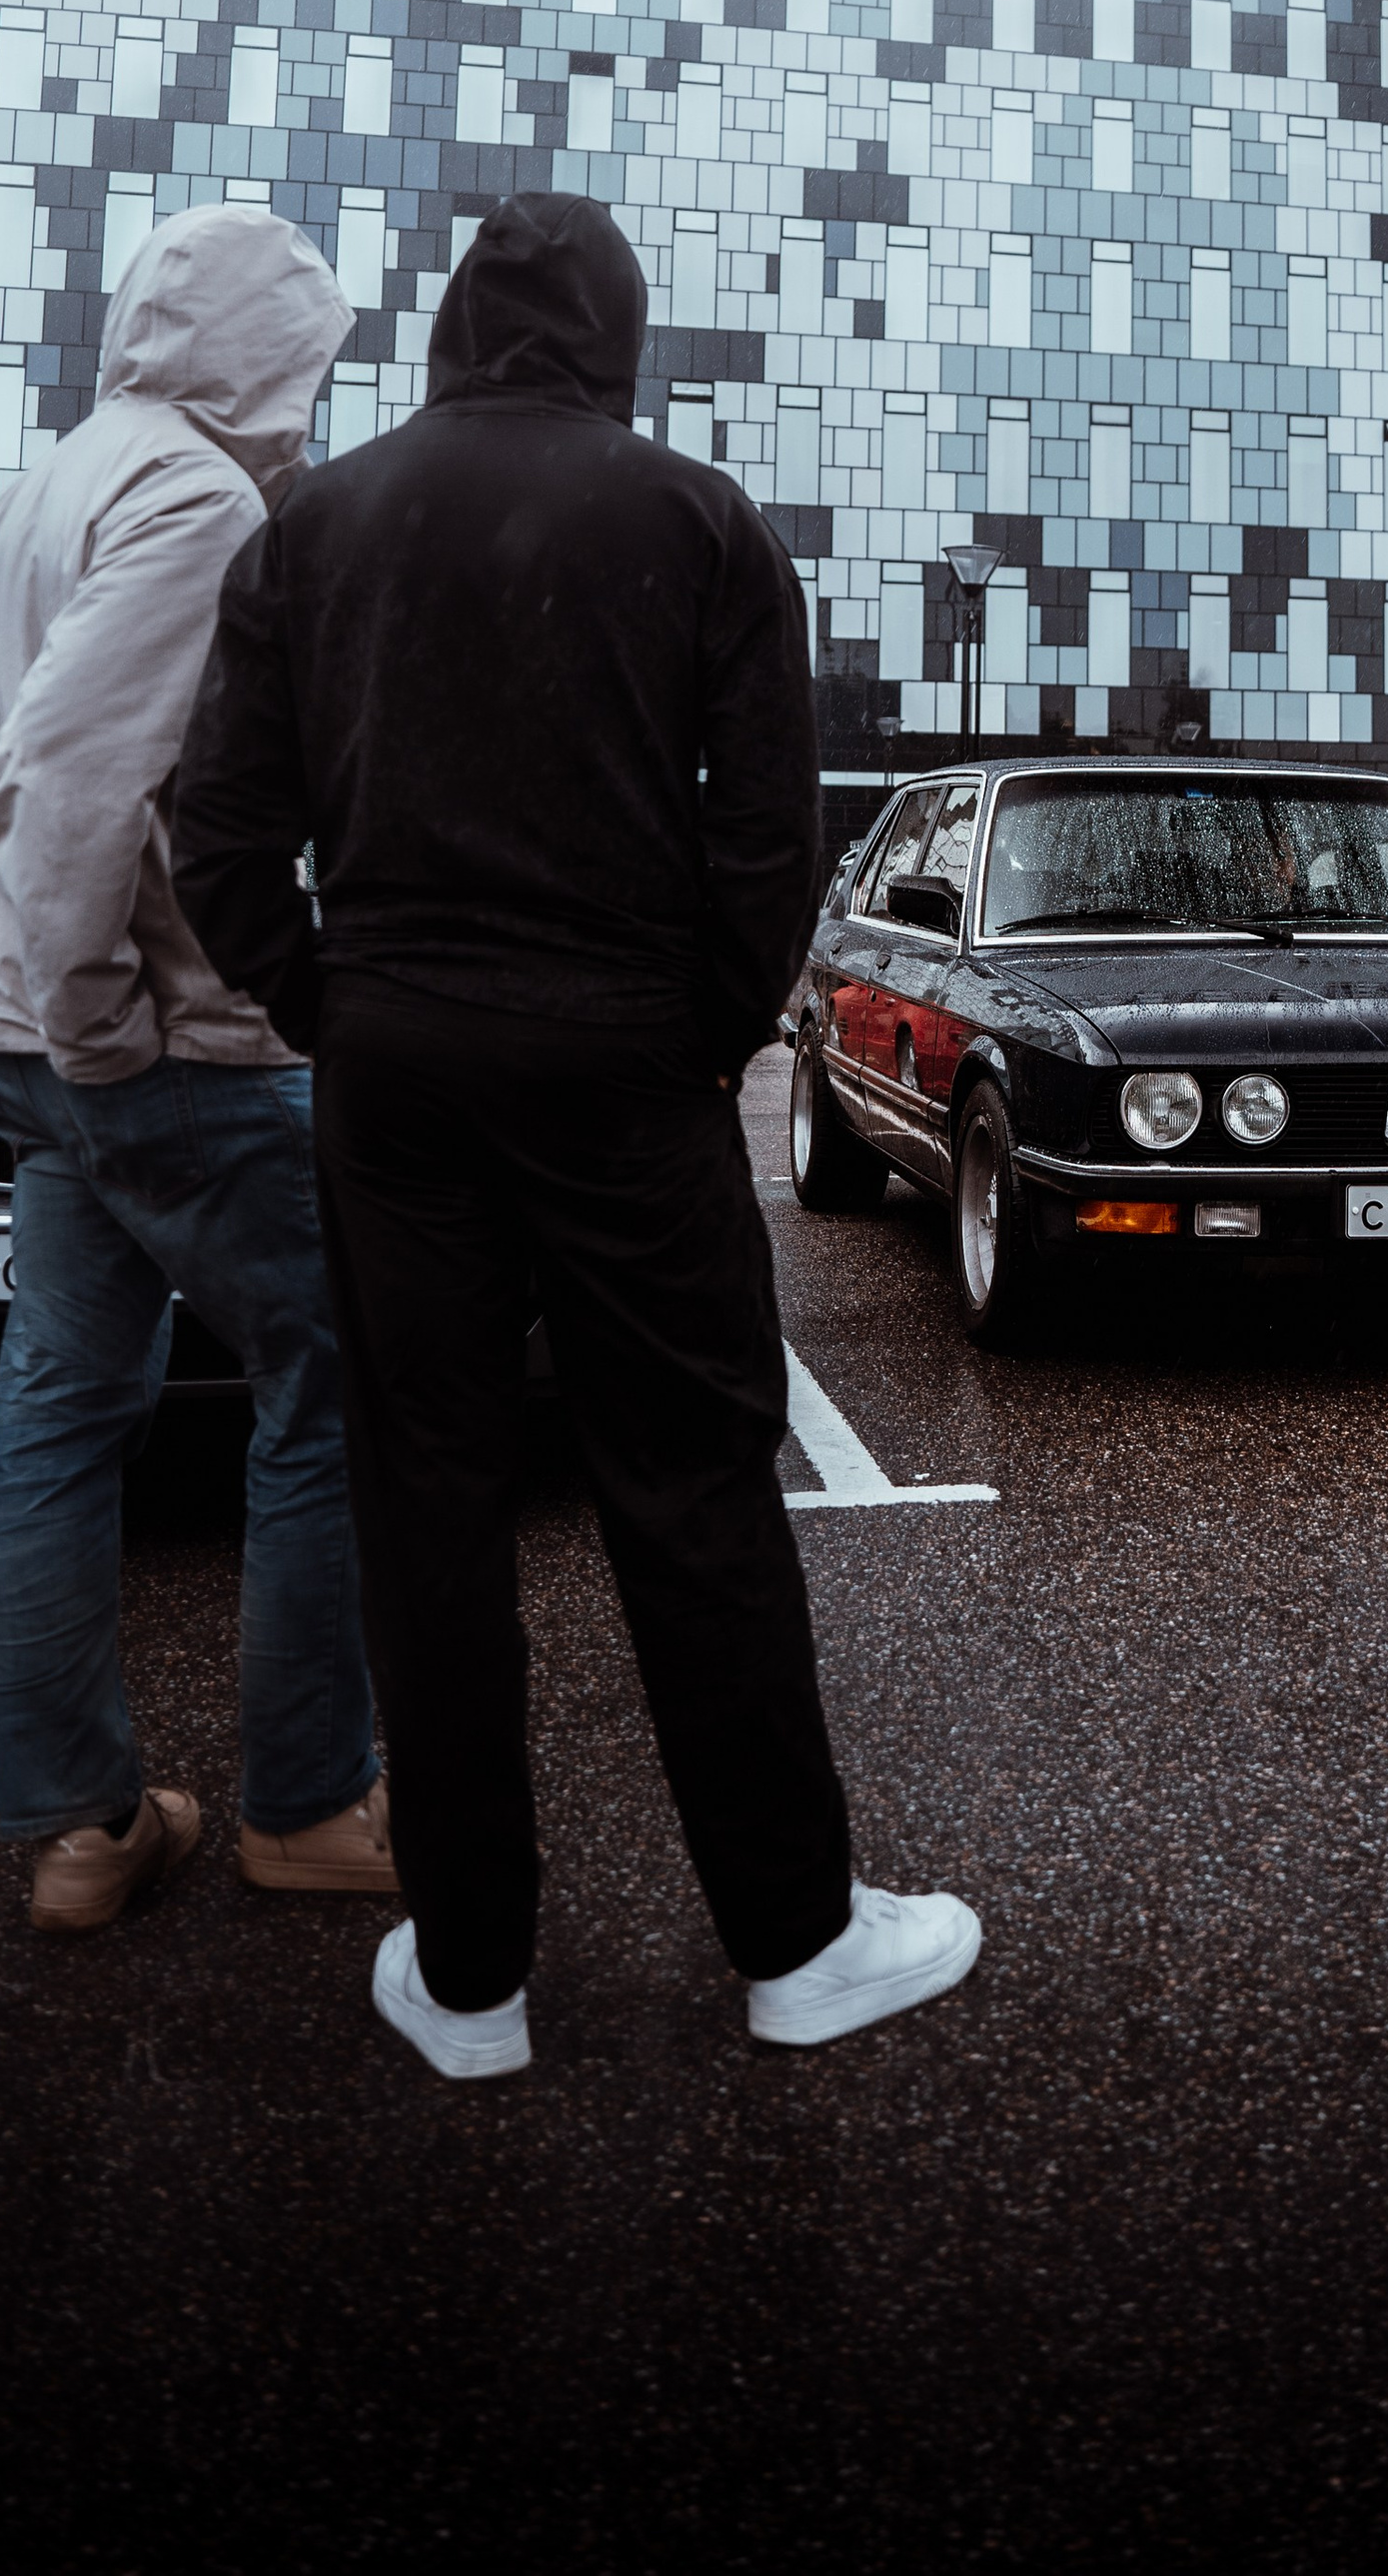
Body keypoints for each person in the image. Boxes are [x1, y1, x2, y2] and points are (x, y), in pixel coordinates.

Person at [171, 193, 977, 2080]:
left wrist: (331, 1004)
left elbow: (216, 834)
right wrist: (696, 1039)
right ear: (614, 336)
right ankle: (794, 1943)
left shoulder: (319, 521)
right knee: (692, 1490)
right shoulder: (696, 523)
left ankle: (471, 1983)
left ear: (457, 327)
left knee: (426, 1500)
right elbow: (766, 843)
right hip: (624, 1065)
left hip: (399, 1068)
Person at [0, 204, 391, 1930]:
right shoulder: (199, 500)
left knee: (57, 1419)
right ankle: (307, 1806)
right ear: (265, 353)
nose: (317, 402)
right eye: (313, 363)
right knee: (329, 1393)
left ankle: (79, 1835)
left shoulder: (51, 480)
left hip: (31, 1049)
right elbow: (65, 776)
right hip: (167, 1051)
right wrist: (102, 1026)